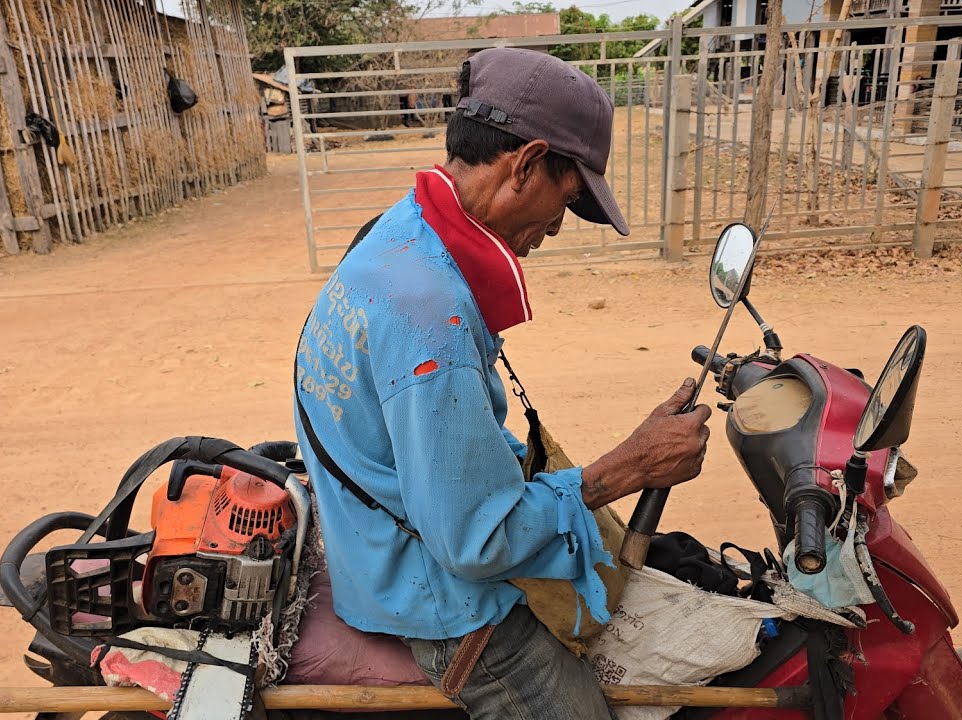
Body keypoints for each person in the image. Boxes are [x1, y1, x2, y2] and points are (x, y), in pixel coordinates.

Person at [293, 47, 712, 720]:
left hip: (375, 543)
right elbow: (475, 542)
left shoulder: (395, 233)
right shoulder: (432, 314)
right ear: (525, 162)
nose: (553, 228)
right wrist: (629, 466)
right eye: (566, 202)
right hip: (445, 609)